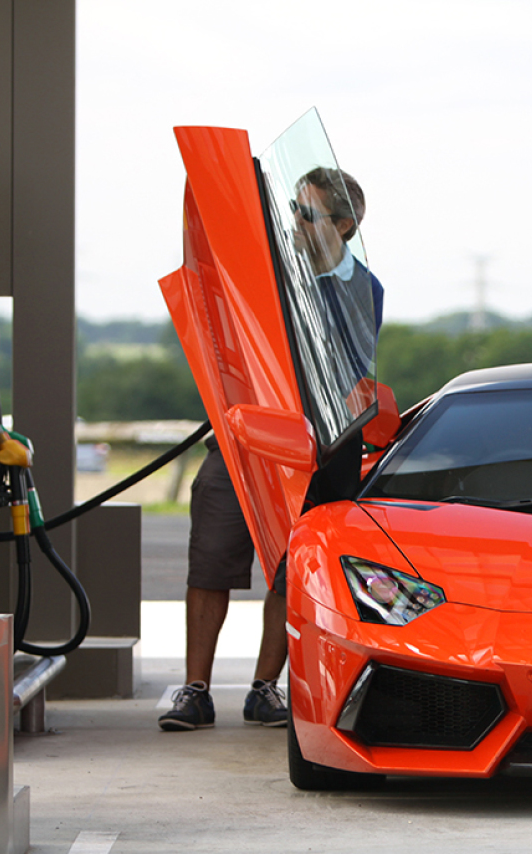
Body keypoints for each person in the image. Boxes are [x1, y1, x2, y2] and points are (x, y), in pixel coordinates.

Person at [160, 167, 383, 730]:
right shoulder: (267, 276)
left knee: (292, 575)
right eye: (293, 212)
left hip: (318, 454)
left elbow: (335, 364)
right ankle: (195, 689)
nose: (295, 226)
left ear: (344, 225)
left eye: (306, 216)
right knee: (210, 560)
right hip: (244, 446)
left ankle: (266, 688)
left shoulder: (362, 290)